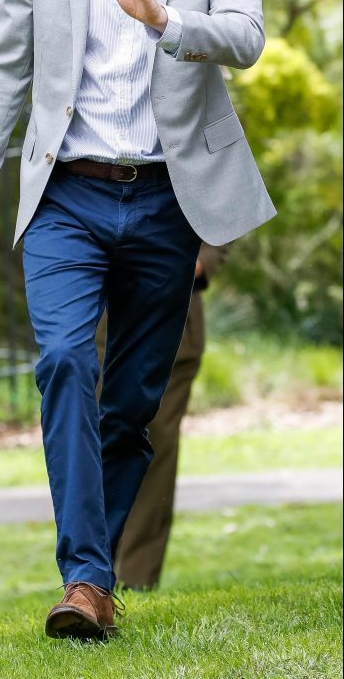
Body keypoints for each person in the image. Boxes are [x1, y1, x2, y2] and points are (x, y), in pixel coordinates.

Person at [0, 0, 275, 641]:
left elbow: (244, 37)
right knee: (63, 362)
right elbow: (8, 65)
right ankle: (86, 580)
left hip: (169, 199)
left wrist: (163, 15)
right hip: (67, 195)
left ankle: (91, 580)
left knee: (132, 403)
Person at [113, 242, 229, 590]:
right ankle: (88, 577)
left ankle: (135, 581)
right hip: (100, 323)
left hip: (175, 320)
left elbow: (230, 194)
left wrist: (201, 259)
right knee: (99, 445)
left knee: (155, 451)